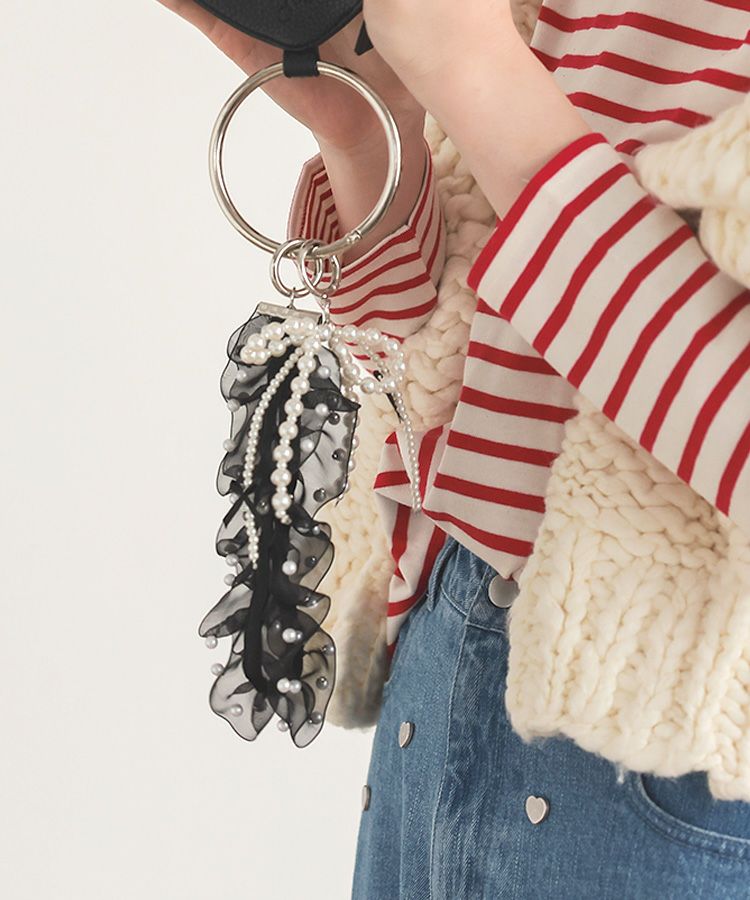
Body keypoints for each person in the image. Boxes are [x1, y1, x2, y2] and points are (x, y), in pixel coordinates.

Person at [159, 2, 750, 896]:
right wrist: (368, 131)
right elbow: (429, 365)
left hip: (667, 776)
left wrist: (481, 81)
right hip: (436, 684)